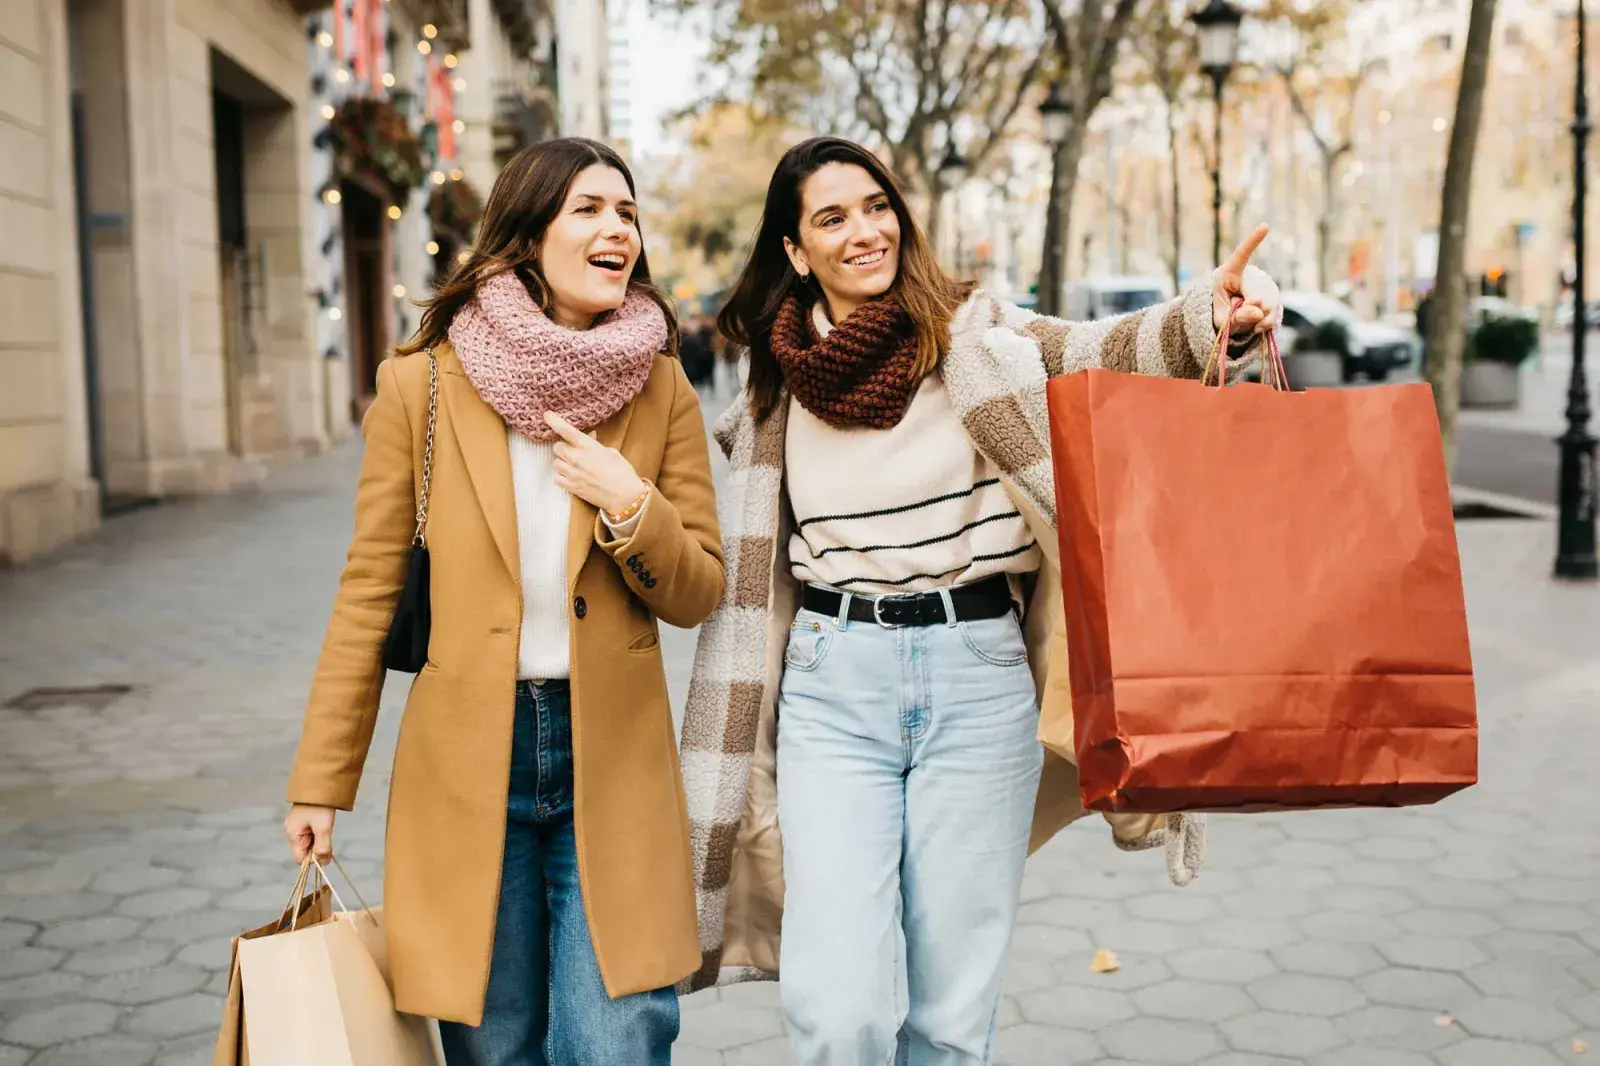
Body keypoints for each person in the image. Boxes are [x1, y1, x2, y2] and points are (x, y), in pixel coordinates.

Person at [675, 136, 1282, 1065]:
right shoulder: (777, 383)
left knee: (953, 1021)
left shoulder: (976, 333)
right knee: (837, 1011)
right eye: (831, 218)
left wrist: (1214, 314)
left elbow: (1101, 349)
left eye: (876, 206)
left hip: (977, 674)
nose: (864, 231)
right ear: (796, 251)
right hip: (834, 689)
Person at [282, 137, 725, 1065]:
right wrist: (324, 780)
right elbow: (367, 592)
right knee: (493, 1041)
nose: (618, 229)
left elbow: (698, 590)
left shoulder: (660, 383)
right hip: (467, 760)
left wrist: (629, 503)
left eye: (628, 212)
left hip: (615, 754)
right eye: (590, 209)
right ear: (529, 234)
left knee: (620, 1037)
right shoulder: (423, 384)